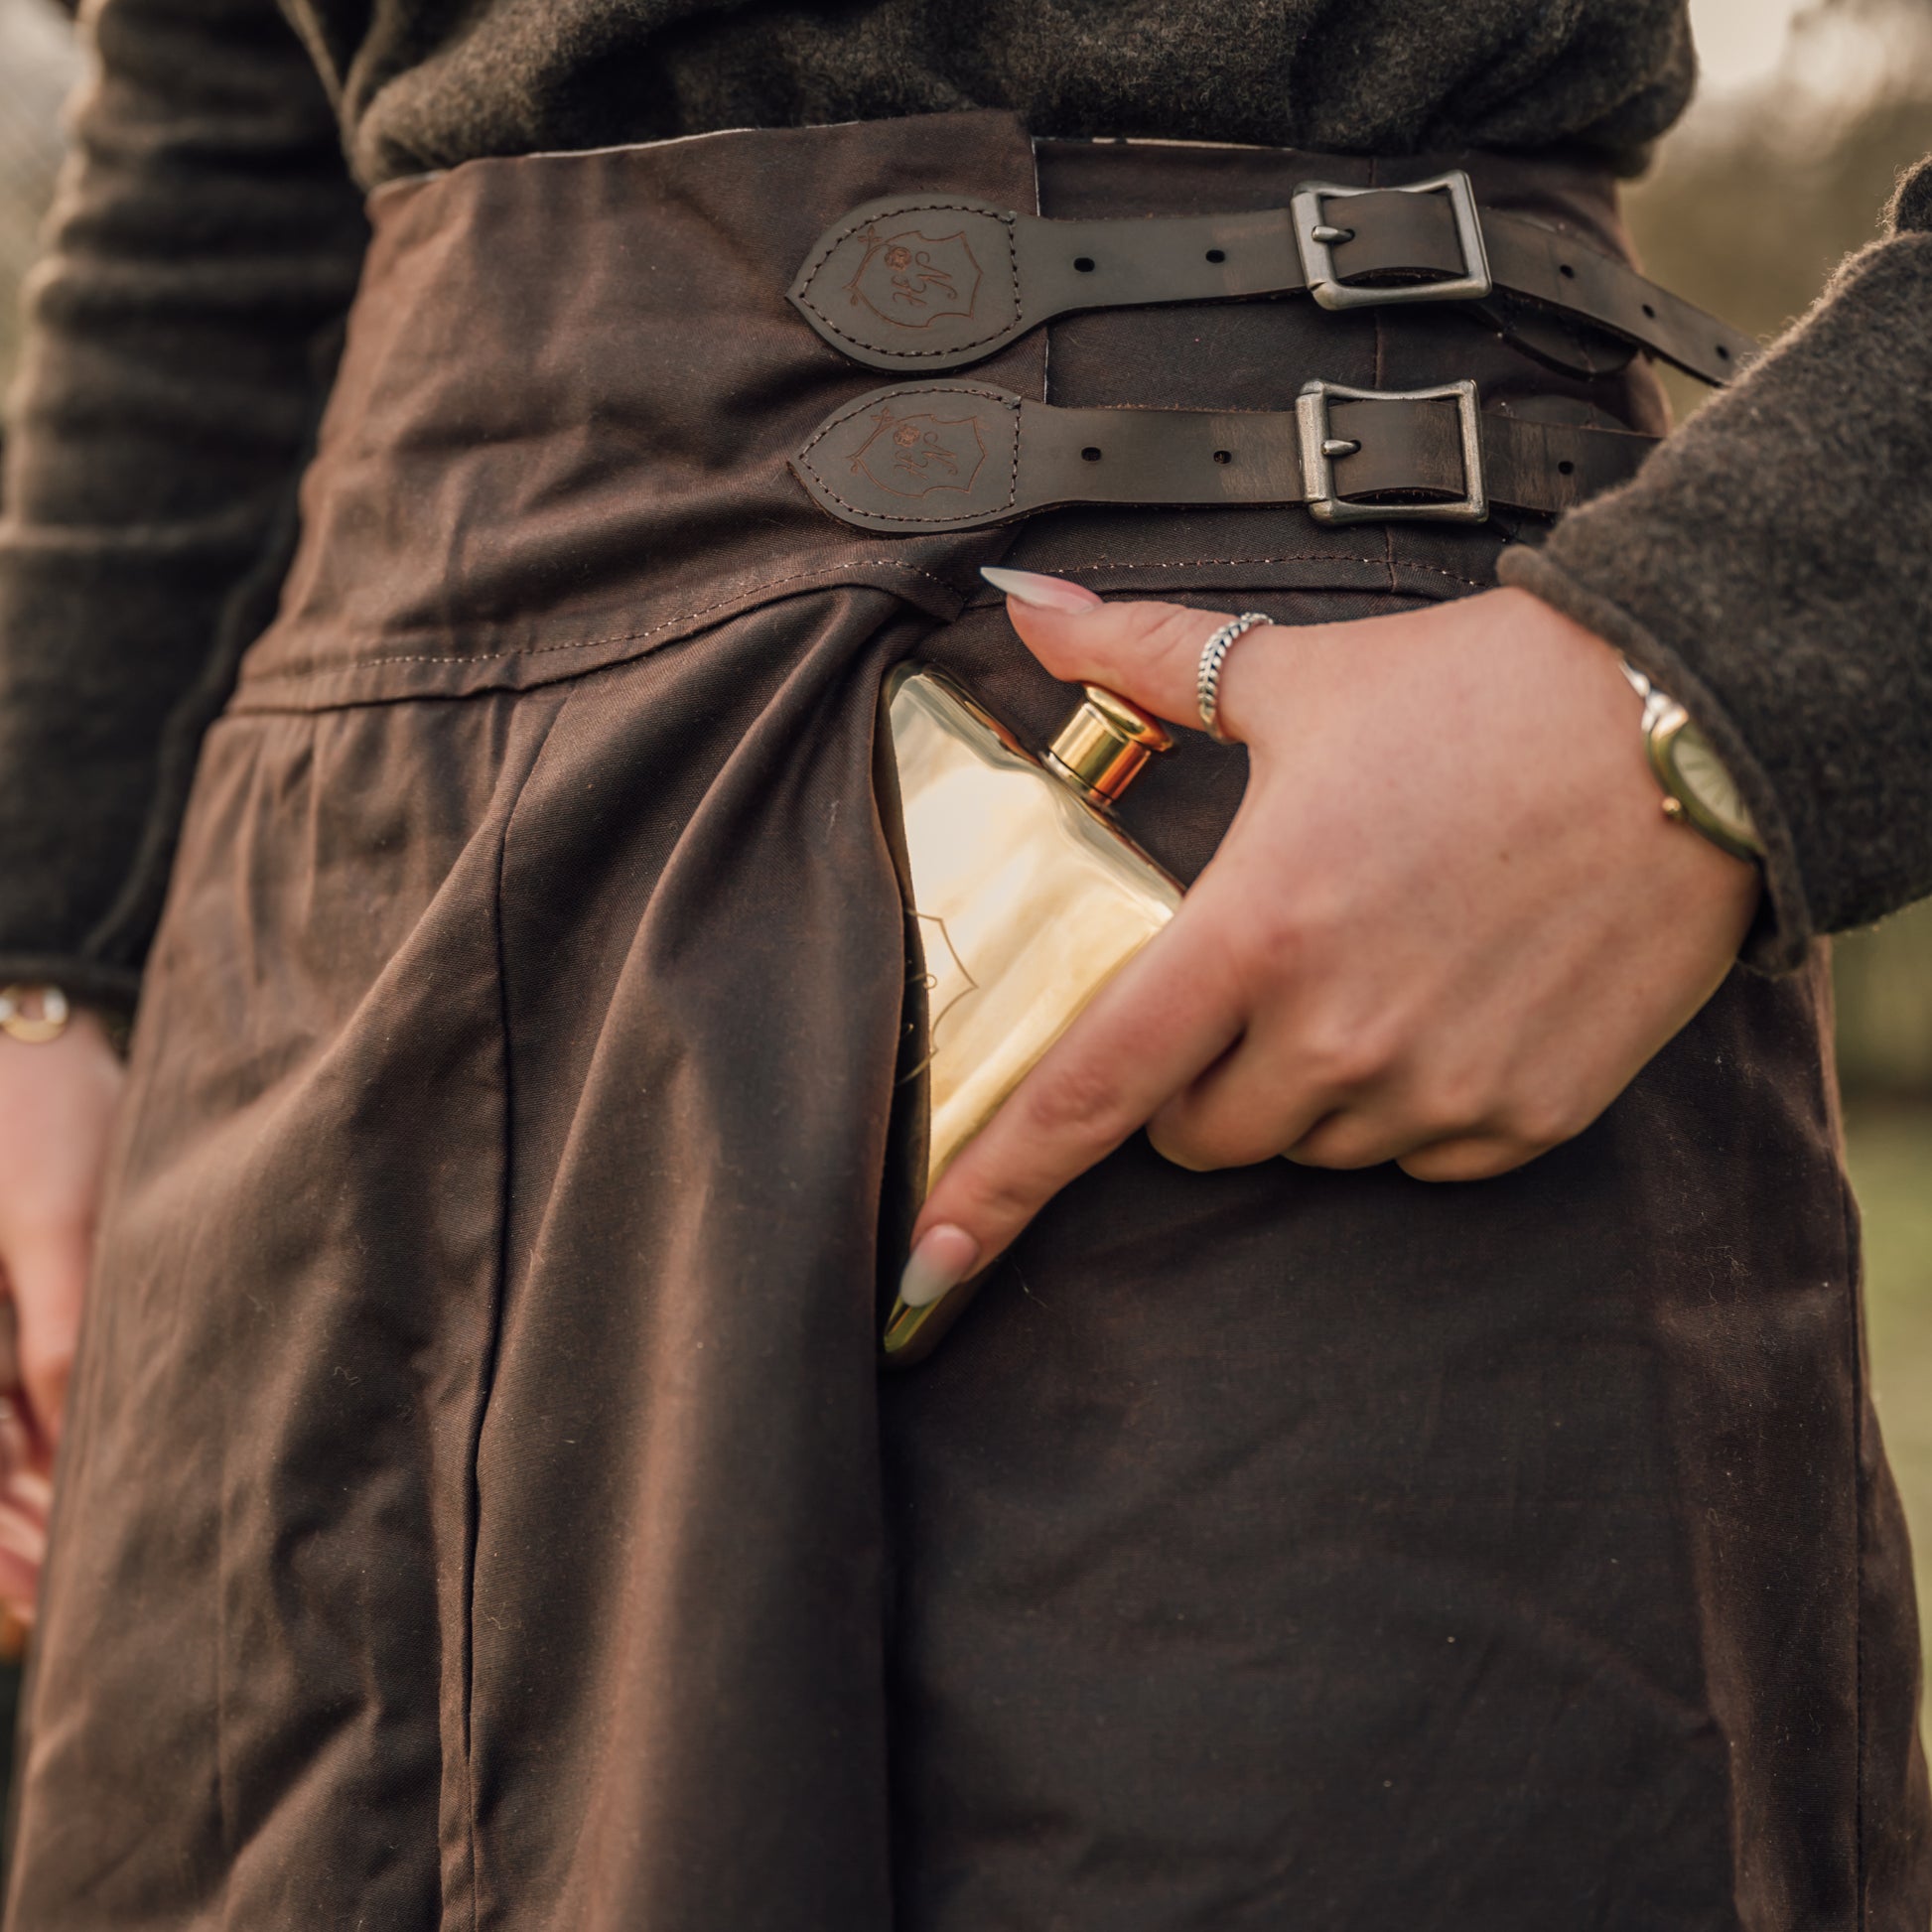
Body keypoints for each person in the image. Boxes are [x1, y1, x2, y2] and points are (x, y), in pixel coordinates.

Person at [0, 0, 1925, 1925]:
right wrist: (48, 957)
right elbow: (215, 123)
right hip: (359, 922)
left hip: (1283, 861)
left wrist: (1720, 657)